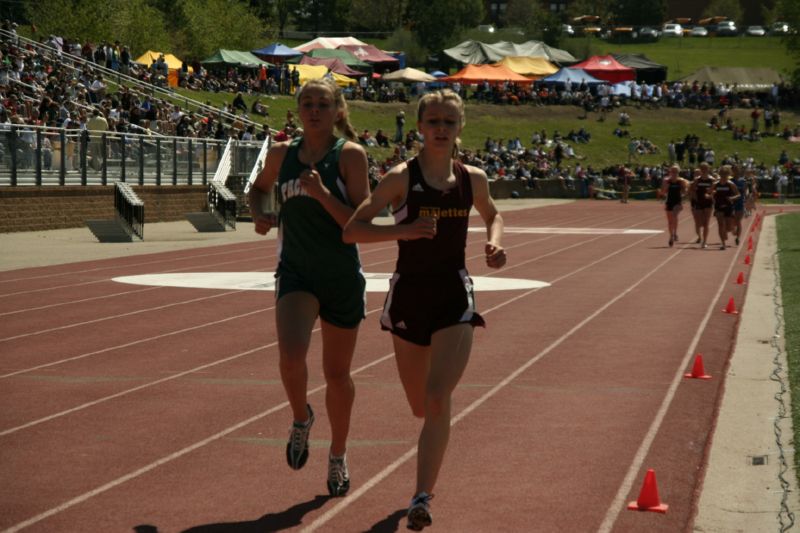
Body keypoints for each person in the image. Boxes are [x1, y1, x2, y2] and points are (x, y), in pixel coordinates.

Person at [343, 89, 506, 531]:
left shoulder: (473, 178)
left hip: (454, 294)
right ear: (419, 126)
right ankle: (431, 433)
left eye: (449, 122)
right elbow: (352, 231)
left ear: (460, 128)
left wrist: (495, 242)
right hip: (409, 297)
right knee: (420, 405)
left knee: (437, 398)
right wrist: (406, 231)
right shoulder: (399, 178)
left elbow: (493, 214)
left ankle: (421, 496)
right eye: (432, 121)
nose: (440, 129)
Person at [247, 78, 370, 497]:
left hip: (340, 276)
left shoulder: (350, 156)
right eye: (307, 103)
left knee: (337, 375)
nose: (314, 109)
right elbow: (258, 190)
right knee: (290, 357)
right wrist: (262, 214)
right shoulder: (281, 153)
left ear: (337, 111)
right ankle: (302, 418)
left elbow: (360, 225)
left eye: (323, 103)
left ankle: (338, 453)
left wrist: (320, 195)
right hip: (296, 272)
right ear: (297, 110)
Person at [657, 164, 690, 247]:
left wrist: (684, 193)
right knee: (670, 221)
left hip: (678, 202)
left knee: (674, 215)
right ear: (670, 172)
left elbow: (686, 191)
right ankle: (672, 235)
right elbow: (663, 192)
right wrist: (662, 190)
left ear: (678, 172)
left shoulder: (681, 181)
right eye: (672, 171)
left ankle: (674, 233)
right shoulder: (666, 181)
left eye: (676, 171)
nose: (674, 173)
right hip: (669, 202)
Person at [709, 165, 740, 250]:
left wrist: (732, 198)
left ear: (728, 175)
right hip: (718, 206)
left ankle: (732, 229)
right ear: (720, 174)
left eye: (725, 174)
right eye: (722, 174)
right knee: (720, 225)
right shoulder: (715, 184)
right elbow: (709, 192)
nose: (723, 176)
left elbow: (738, 194)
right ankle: (723, 244)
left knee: (728, 227)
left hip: (728, 207)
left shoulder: (731, 184)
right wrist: (711, 194)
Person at [688, 162, 715, 248]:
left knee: (706, 223)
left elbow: (716, 191)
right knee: (699, 223)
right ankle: (700, 237)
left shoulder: (712, 180)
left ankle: (704, 241)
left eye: (705, 168)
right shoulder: (697, 180)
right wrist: (694, 196)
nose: (704, 170)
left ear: (708, 169)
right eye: (702, 169)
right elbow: (691, 189)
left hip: (708, 203)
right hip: (699, 203)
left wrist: (710, 195)